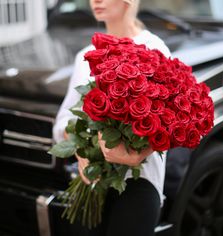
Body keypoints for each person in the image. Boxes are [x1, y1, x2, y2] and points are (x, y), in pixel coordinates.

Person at [53, 0, 171, 235]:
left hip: (140, 181)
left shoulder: (155, 49)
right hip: (91, 182)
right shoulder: (85, 56)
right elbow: (64, 120)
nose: (95, 0)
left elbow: (168, 122)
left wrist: (138, 153)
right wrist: (80, 151)